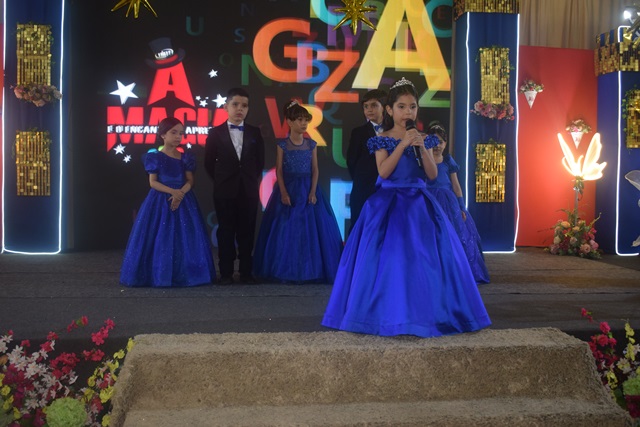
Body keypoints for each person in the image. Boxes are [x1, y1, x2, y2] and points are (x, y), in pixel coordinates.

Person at [322, 77, 491, 337]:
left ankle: (426, 313)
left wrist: (421, 147)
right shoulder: (381, 139)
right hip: (389, 204)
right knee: (391, 259)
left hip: (420, 204)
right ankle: (388, 313)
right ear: (390, 110)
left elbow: (432, 175)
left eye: (412, 107)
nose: (408, 112)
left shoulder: (425, 140)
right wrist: (402, 145)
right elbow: (384, 172)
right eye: (401, 107)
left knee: (424, 259)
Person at [253, 100, 343, 283]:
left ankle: (311, 270)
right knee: (286, 229)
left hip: (308, 188)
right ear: (289, 121)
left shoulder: (311, 144)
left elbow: (315, 169)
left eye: (306, 120)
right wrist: (283, 192)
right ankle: (285, 269)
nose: (304, 123)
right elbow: (279, 170)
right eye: (299, 120)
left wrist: (313, 191)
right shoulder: (282, 145)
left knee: (311, 230)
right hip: (289, 187)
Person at [120, 117, 216, 287]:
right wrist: (173, 192)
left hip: (184, 199)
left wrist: (180, 193)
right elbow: (153, 182)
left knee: (185, 237)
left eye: (181, 133)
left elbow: (190, 180)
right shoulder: (154, 157)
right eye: (174, 132)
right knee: (160, 236)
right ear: (163, 134)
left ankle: (188, 273)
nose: (178, 136)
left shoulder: (186, 158)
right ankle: (159, 274)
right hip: (160, 200)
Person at [205, 87, 265, 285]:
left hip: (249, 190)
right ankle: (226, 273)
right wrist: (223, 180)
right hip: (224, 191)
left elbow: (259, 162)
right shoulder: (215, 133)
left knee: (247, 231)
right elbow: (208, 163)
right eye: (235, 104)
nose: (240, 109)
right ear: (226, 107)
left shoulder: (255, 132)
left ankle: (246, 272)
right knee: (226, 231)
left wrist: (248, 179)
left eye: (244, 106)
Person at [426, 122, 490, 284]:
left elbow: (456, 185)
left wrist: (461, 207)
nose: (437, 145)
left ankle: (458, 272)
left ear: (445, 143)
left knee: (455, 235)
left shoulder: (448, 160)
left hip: (448, 203)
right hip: (428, 201)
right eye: (433, 141)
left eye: (441, 142)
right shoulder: (423, 160)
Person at [346, 89, 387, 231]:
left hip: (388, 188)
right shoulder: (358, 132)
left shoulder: (394, 131)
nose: (369, 110)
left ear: (385, 107)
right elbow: (351, 161)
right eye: (365, 106)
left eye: (374, 105)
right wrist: (362, 180)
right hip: (363, 188)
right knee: (360, 226)